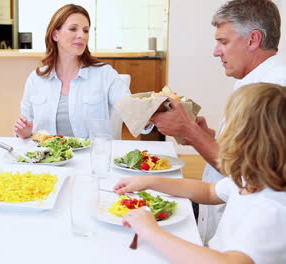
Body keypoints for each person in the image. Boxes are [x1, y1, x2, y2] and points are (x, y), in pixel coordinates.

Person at [149, 0, 286, 244]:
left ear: (253, 40)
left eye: (223, 42)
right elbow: (242, 153)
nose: (216, 51)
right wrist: (206, 136)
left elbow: (246, 172)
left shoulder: (273, 91)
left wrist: (190, 132)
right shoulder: (253, 82)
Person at [115, 83, 286, 264]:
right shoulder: (252, 177)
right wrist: (149, 181)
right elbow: (209, 192)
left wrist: (152, 232)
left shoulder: (272, 210)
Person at [13, 4, 129, 139]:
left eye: (85, 30)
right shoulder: (36, 79)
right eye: (73, 29)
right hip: (48, 158)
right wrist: (24, 132)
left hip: (91, 158)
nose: (81, 35)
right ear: (55, 35)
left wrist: (152, 113)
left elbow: (131, 113)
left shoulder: (105, 74)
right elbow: (27, 126)